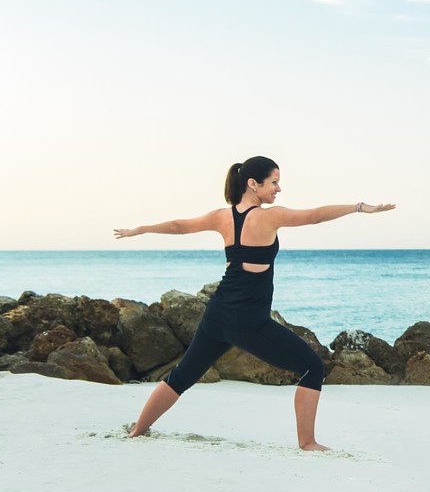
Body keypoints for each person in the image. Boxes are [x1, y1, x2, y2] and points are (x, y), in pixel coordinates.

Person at [115, 156, 394, 450]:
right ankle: (308, 443)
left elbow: (179, 225)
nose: (278, 189)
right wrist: (360, 207)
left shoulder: (221, 217)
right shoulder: (268, 217)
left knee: (183, 375)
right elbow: (314, 215)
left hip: (217, 313)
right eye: (274, 182)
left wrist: (141, 229)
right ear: (253, 184)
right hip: (247, 320)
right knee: (313, 366)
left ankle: (138, 430)